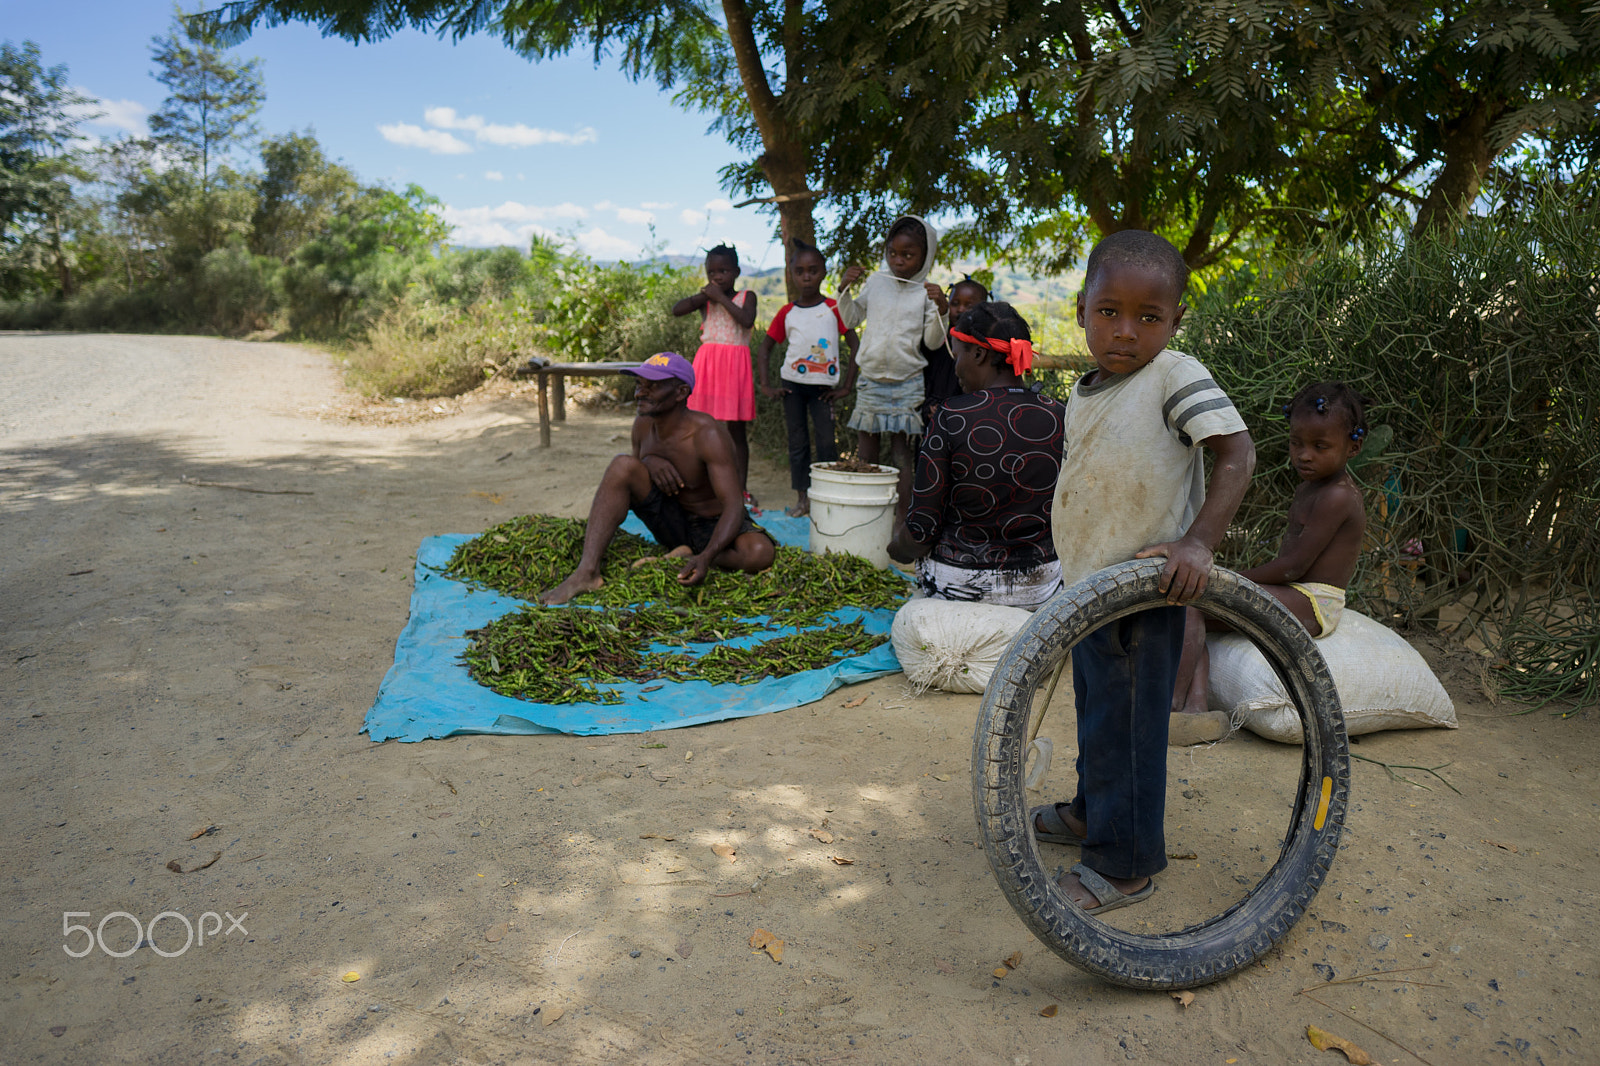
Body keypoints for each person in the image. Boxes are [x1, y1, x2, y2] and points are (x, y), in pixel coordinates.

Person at [1030, 230, 1255, 915]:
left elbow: (1237, 454)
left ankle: (1124, 865)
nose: (1126, 332)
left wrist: (1197, 543)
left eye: (1149, 318)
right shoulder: (1089, 389)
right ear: (1081, 307)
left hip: (1144, 590)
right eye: (1109, 312)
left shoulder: (1173, 375)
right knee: (1099, 711)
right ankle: (1092, 813)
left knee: (1129, 723)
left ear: (1175, 322)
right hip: (1092, 591)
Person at [1169, 381, 1370, 717]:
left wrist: (1230, 579)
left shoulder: (1337, 496)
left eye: (1320, 446)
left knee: (1197, 601)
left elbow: (1293, 567)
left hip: (1315, 602)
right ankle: (1195, 708)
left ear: (1354, 446)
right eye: (1296, 443)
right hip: (1295, 591)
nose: (1304, 454)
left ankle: (1173, 706)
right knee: (1191, 604)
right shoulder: (1312, 486)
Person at [539, 352, 776, 605]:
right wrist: (648, 463)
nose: (640, 393)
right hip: (672, 522)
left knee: (760, 553)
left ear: (681, 392)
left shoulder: (707, 434)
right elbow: (635, 479)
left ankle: (691, 555)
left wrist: (706, 557)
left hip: (714, 527)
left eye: (652, 386)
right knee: (622, 465)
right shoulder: (642, 425)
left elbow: (733, 506)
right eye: (639, 385)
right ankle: (586, 572)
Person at [887, 302, 1065, 610]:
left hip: (958, 586)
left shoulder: (951, 417)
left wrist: (895, 549)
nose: (955, 369)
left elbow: (921, 530)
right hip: (1041, 587)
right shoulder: (1061, 414)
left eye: (958, 356)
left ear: (979, 354)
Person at [837, 215, 949, 519]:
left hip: (907, 382)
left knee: (901, 455)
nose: (898, 261)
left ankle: (902, 521)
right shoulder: (875, 283)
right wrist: (844, 289)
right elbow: (850, 319)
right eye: (892, 253)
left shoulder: (926, 293)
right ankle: (862, 514)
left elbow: (934, 340)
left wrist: (942, 308)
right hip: (871, 379)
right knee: (866, 454)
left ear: (925, 256)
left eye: (908, 255)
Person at [757, 239, 861, 516]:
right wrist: (766, 385)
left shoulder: (834, 308)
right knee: (798, 442)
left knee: (827, 442)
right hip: (792, 386)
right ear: (792, 274)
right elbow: (765, 348)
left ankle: (826, 496)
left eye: (813, 270)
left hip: (823, 389)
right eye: (800, 271)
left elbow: (855, 345)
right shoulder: (786, 312)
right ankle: (803, 499)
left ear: (824, 272)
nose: (806, 277)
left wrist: (847, 386)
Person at [672, 244, 759, 509]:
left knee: (736, 430)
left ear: (736, 272)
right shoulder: (706, 299)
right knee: (701, 426)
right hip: (707, 367)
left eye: (723, 271)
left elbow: (745, 320)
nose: (717, 276)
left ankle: (741, 490)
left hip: (735, 369)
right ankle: (699, 486)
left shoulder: (747, 296)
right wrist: (704, 297)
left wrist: (719, 297)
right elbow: (677, 309)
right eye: (712, 272)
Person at [918, 275, 989, 429]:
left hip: (969, 417)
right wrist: (929, 406)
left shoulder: (986, 345)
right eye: (954, 304)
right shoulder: (938, 336)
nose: (961, 310)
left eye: (969, 306)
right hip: (932, 415)